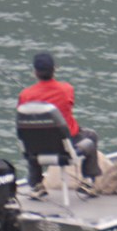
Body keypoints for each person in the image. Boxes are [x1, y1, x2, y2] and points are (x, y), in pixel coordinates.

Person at [17, 52, 101, 199]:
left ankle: (36, 185)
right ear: (54, 69)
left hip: (37, 150)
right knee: (91, 135)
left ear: (34, 72)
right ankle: (88, 182)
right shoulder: (66, 89)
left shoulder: (25, 94)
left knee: (32, 136)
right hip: (66, 147)